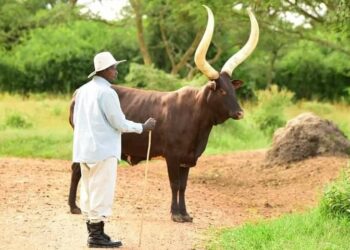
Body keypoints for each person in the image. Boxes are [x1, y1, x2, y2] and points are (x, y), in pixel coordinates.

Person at [72, 51, 156, 248]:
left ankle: (94, 233)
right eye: (113, 68)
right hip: (103, 150)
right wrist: (142, 127)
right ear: (104, 71)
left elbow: (77, 120)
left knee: (88, 190)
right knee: (101, 192)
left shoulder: (82, 91)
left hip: (84, 150)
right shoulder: (107, 93)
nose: (116, 71)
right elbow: (118, 123)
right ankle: (96, 237)